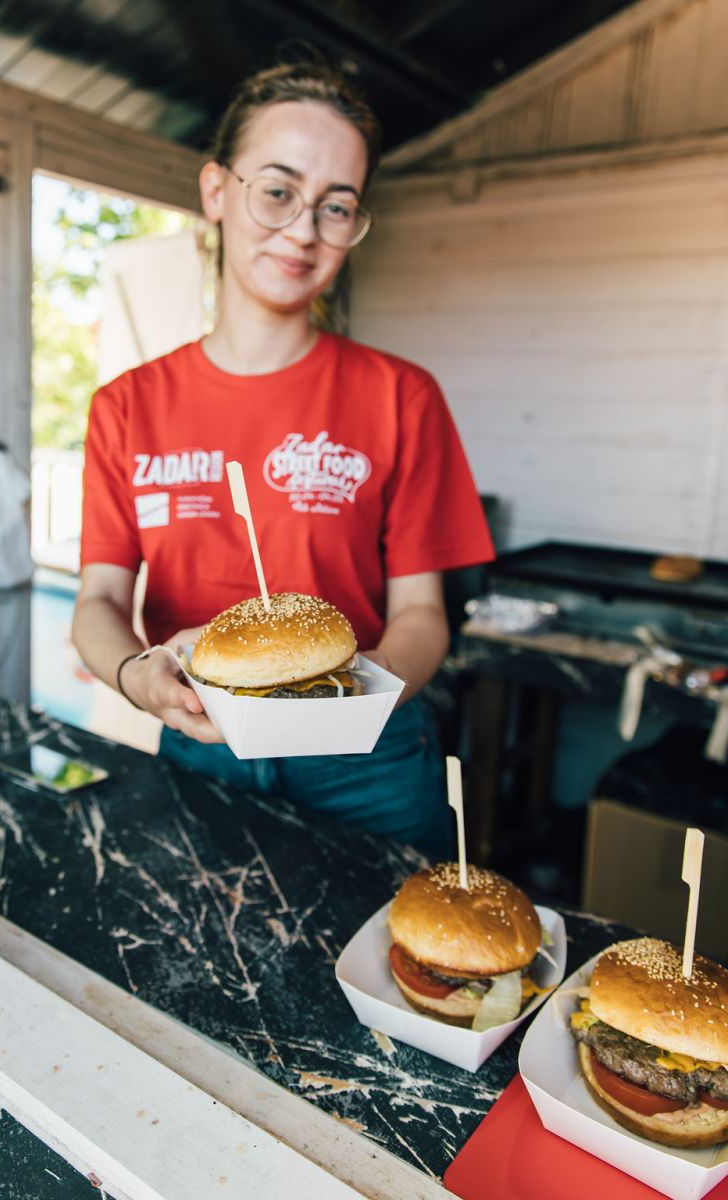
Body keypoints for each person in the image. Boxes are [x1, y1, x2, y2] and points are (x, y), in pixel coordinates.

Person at [72, 60, 493, 855]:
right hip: (201, 743)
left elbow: (421, 615)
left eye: (337, 206)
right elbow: (98, 599)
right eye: (277, 190)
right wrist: (136, 676)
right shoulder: (128, 405)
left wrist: (352, 700)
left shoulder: (402, 397)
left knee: (392, 933)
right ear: (216, 190)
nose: (303, 230)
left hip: (369, 762)